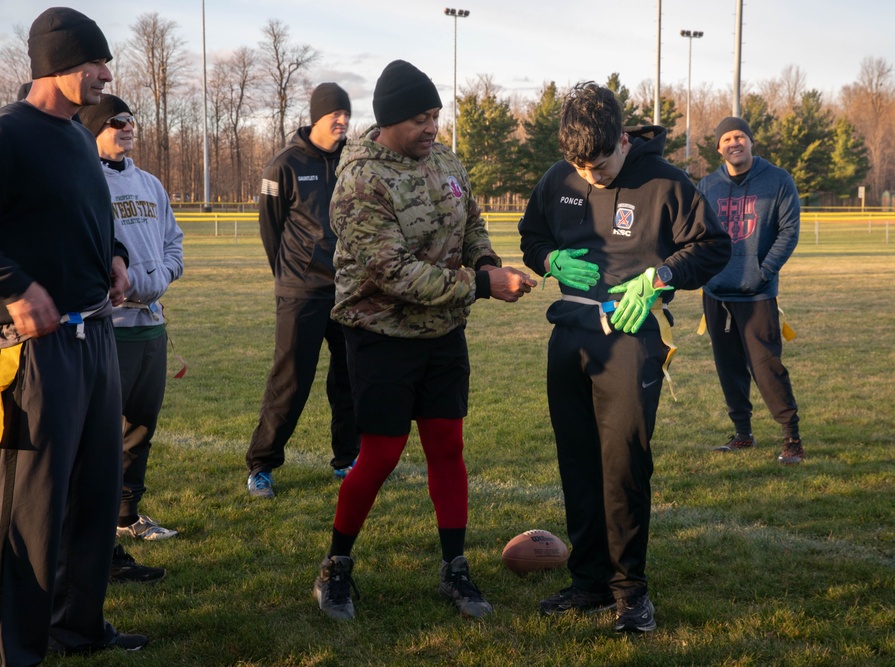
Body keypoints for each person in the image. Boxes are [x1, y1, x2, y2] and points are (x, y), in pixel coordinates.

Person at [312, 59, 536, 621]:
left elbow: (472, 219)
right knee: (381, 455)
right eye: (419, 119)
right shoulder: (361, 178)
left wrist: (485, 256)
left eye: (436, 115)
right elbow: (396, 273)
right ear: (388, 121)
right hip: (382, 335)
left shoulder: (443, 157)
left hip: (443, 333)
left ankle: (454, 567)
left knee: (447, 448)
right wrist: (484, 284)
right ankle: (336, 565)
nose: (432, 127)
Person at [518, 82, 731, 633]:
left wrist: (663, 278)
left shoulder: (664, 181)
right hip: (569, 337)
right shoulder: (557, 178)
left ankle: (630, 591)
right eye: (579, 165)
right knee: (578, 462)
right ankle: (589, 582)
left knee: (623, 464)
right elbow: (531, 236)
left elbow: (713, 245)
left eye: (601, 161)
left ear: (621, 139)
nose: (592, 174)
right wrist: (550, 260)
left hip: (630, 339)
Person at [0, 8, 147, 664]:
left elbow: (87, 216)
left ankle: (78, 626)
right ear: (57, 60)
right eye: (95, 62)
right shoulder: (10, 134)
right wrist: (13, 285)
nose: (106, 75)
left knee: (94, 492)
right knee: (33, 505)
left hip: (97, 337)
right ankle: (19, 646)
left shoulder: (77, 140)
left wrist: (114, 255)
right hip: (37, 350)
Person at [78, 94, 184, 542]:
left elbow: (174, 244)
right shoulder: (85, 180)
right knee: (102, 430)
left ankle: (127, 515)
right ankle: (90, 523)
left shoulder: (151, 184)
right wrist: (134, 282)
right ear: (94, 129)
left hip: (151, 324)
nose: (127, 127)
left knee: (142, 424)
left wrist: (157, 278)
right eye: (116, 121)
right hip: (110, 325)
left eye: (130, 120)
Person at [246, 83, 360, 499]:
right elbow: (270, 229)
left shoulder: (354, 159)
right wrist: (292, 274)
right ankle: (262, 465)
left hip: (348, 291)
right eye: (336, 115)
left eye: (347, 115)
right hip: (302, 291)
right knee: (290, 381)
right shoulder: (285, 164)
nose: (344, 122)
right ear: (317, 117)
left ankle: (348, 460)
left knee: (349, 379)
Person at [695, 117, 804, 464]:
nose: (734, 142)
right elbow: (696, 234)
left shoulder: (777, 179)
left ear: (751, 141)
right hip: (717, 294)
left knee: (766, 368)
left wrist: (765, 270)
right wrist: (706, 274)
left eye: (739, 135)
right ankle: (743, 433)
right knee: (728, 368)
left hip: (756, 294)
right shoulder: (707, 185)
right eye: (726, 138)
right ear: (719, 147)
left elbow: (789, 230)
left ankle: (791, 438)